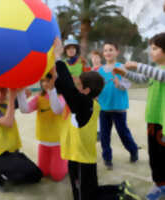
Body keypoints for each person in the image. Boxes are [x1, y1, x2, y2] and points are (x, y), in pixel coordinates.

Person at [53, 37, 141, 200]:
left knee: (84, 197)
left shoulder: (83, 105)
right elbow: (66, 87)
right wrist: (54, 76)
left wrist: (57, 57)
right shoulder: (91, 103)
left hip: (80, 159)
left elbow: (68, 88)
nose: (75, 86)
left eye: (78, 85)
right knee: (90, 191)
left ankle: (120, 197)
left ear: (85, 91)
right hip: (83, 157)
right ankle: (120, 189)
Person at [113, 32, 165, 200]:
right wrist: (125, 73)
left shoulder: (160, 71)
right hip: (153, 119)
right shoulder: (155, 69)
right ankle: (160, 185)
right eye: (151, 48)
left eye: (155, 48)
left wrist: (137, 65)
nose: (151, 52)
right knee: (155, 156)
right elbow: (142, 78)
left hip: (164, 123)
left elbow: (161, 76)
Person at [0, 86, 42, 192]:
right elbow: (8, 122)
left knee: (37, 175)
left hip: (13, 153)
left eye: (3, 91)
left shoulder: (7, 104)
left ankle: (8, 173)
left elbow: (28, 94)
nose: (0, 94)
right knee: (23, 174)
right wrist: (11, 98)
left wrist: (18, 86)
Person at [17, 73, 68, 182]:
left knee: (57, 176)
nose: (45, 84)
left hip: (58, 141)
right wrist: (20, 93)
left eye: (48, 81)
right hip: (44, 139)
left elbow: (57, 110)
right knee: (43, 172)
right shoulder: (39, 97)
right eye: (43, 81)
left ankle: (68, 162)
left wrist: (52, 90)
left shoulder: (62, 96)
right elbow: (24, 110)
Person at [97, 42, 139, 170]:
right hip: (104, 108)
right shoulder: (99, 70)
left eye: (111, 50)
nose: (108, 52)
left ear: (117, 52)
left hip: (119, 108)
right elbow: (98, 88)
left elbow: (128, 85)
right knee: (104, 135)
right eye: (105, 50)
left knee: (123, 133)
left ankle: (133, 150)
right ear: (103, 54)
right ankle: (107, 158)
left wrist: (119, 84)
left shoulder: (121, 67)